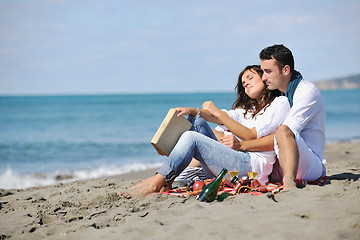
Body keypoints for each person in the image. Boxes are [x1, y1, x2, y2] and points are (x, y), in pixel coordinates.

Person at [128, 65, 290, 198]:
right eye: (242, 82)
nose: (245, 83)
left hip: (251, 168)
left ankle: (160, 179)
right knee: (197, 121)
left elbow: (251, 135)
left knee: (192, 138)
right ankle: (168, 177)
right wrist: (193, 110)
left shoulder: (279, 103)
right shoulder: (246, 110)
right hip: (235, 162)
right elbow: (218, 117)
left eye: (250, 77)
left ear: (264, 77)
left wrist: (217, 112)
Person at [224, 45, 326, 191]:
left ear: (285, 70)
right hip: (279, 162)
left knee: (284, 130)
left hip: (309, 165)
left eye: (268, 72)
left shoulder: (306, 92)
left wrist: (243, 145)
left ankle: (289, 183)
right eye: (263, 71)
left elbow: (285, 134)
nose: (264, 77)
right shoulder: (281, 95)